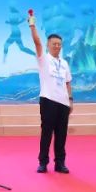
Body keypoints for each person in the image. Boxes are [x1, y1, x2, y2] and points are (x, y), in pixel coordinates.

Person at [29, 18, 72, 173]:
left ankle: (60, 163)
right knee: (47, 133)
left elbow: (68, 82)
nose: (57, 46)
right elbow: (37, 43)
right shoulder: (44, 59)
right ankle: (43, 162)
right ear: (48, 45)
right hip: (48, 101)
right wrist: (32, 26)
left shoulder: (64, 63)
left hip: (63, 103)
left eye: (59, 44)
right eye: (54, 44)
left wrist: (70, 100)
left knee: (61, 135)